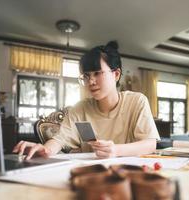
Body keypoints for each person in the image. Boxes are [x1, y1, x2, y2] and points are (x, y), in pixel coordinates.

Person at [13, 41, 160, 159]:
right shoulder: (80, 108)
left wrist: (115, 150)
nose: (91, 81)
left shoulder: (136, 102)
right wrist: (46, 149)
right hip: (90, 175)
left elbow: (150, 144)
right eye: (86, 76)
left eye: (97, 73)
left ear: (116, 74)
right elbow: (60, 139)